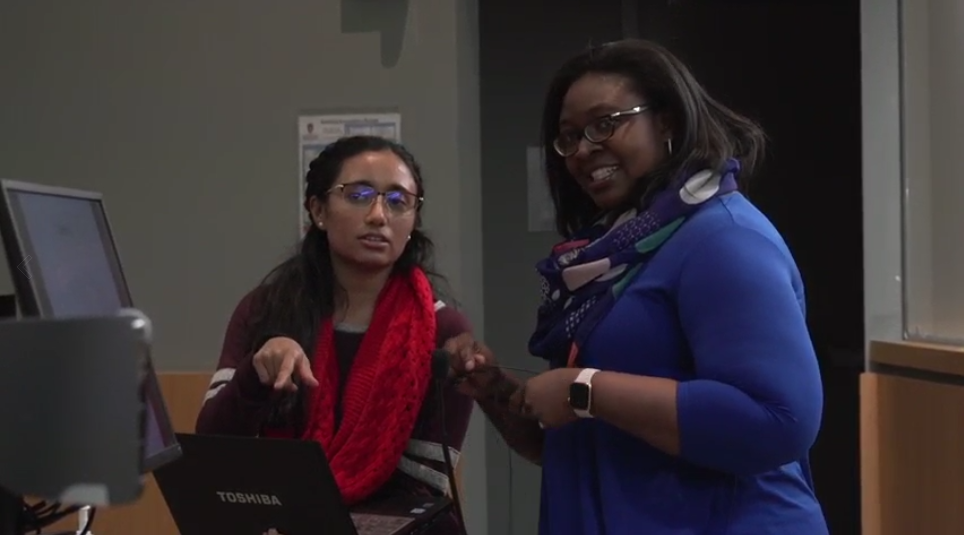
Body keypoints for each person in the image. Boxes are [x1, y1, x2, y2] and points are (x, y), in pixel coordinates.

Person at [445, 39, 828, 534]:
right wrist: (494, 390)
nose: (583, 150)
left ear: (666, 121)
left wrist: (586, 390)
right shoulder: (614, 252)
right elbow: (581, 443)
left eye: (605, 123)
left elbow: (780, 421)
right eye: (569, 137)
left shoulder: (724, 238)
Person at [196, 135, 474, 533]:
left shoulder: (444, 331)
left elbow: (421, 492)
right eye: (358, 195)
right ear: (318, 210)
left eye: (398, 201)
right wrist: (255, 375)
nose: (379, 215)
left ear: (413, 221)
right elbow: (213, 453)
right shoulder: (263, 311)